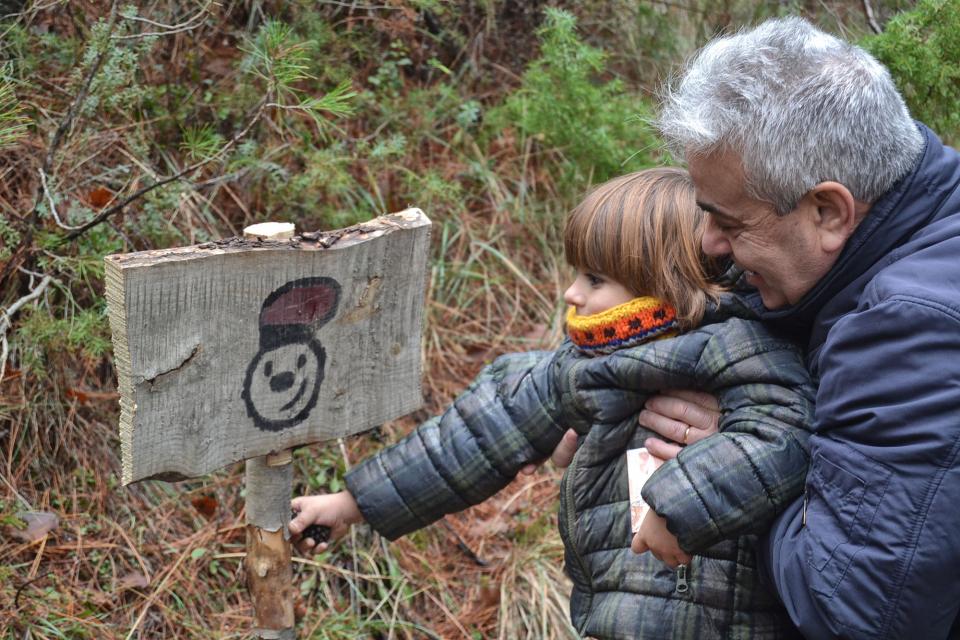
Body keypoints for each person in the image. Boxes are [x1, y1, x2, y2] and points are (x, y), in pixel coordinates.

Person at [290, 167, 815, 639]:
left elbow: (782, 436)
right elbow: (474, 436)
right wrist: (352, 504)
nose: (570, 293)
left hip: (716, 620)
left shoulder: (737, 351)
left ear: (664, 284)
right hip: (612, 615)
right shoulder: (580, 370)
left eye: (594, 279)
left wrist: (677, 505)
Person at [610, 16, 960, 640]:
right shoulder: (915, 230)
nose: (708, 242)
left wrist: (743, 458)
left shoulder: (910, 328)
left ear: (828, 210)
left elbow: (854, 614)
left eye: (732, 224)